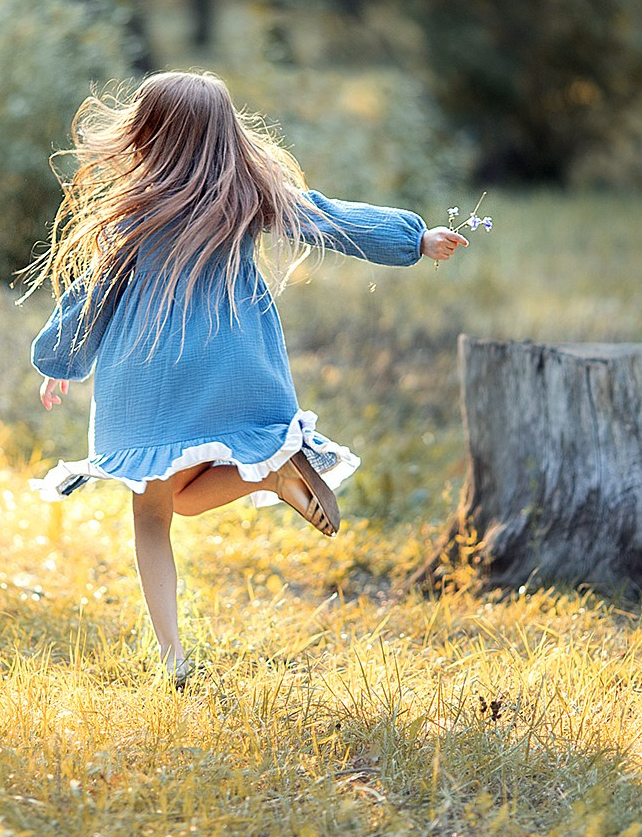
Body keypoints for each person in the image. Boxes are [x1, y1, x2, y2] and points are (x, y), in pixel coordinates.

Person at [24, 71, 468, 684]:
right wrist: (414, 238)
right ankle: (277, 468)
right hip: (233, 367)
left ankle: (174, 659)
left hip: (147, 376)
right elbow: (333, 219)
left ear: (147, 135)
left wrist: (60, 361)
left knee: (154, 515)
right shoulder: (252, 194)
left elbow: (93, 296)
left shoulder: (133, 212)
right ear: (225, 136)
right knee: (183, 498)